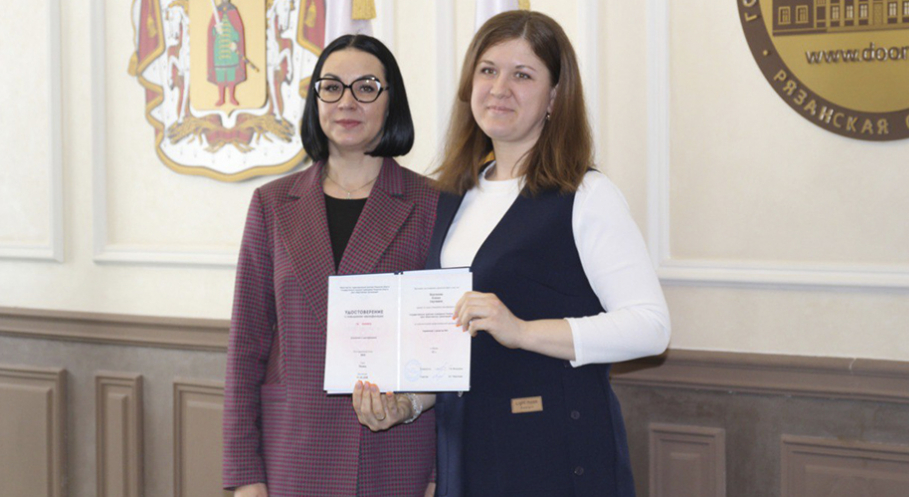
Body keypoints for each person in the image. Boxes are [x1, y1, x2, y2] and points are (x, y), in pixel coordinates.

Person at [353, 11, 671, 497]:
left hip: (555, 459)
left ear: (555, 97)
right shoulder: (452, 198)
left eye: (522, 75)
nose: (499, 88)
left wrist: (522, 331)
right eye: (488, 70)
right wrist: (407, 404)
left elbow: (651, 327)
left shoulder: (586, 195)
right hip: (468, 457)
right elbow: (456, 350)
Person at [223, 34, 438, 497]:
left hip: (395, 453)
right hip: (294, 451)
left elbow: (444, 346)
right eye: (332, 87)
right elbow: (246, 344)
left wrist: (440, 474)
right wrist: (244, 474)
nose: (347, 101)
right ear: (315, 99)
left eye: (366, 87)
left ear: (391, 101)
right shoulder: (271, 204)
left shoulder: (432, 203)